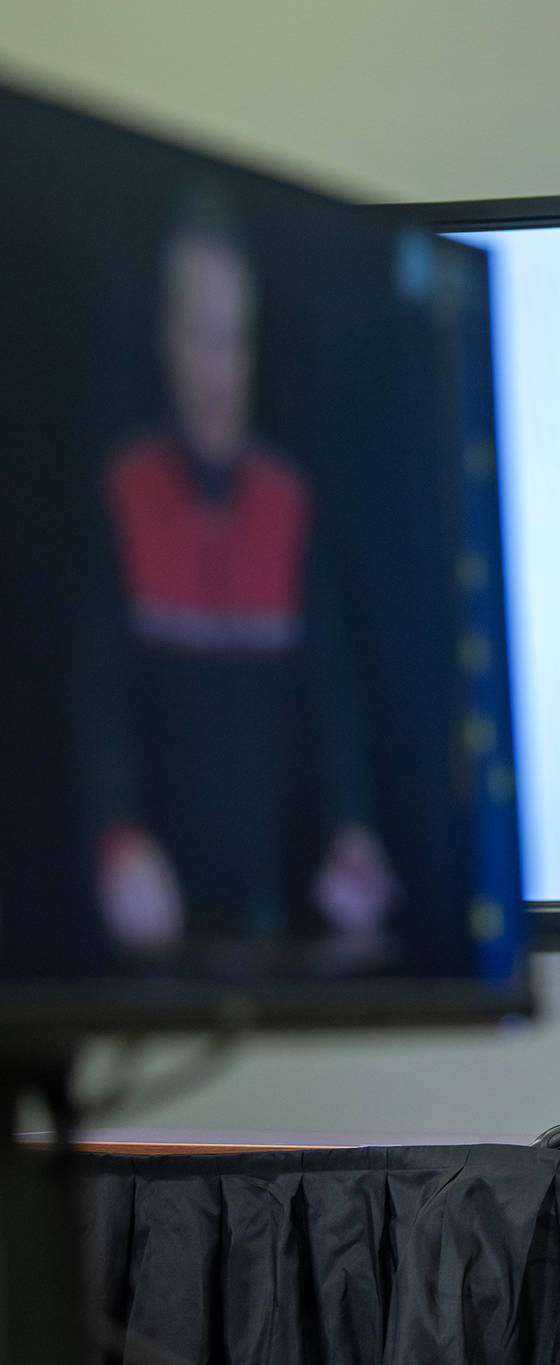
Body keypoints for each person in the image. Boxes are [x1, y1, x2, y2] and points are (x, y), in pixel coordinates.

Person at [81, 187, 397, 957]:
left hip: (277, 929)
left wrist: (353, 833)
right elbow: (92, 704)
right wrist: (116, 841)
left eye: (234, 341)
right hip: (148, 937)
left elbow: (333, 704)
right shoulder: (124, 493)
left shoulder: (288, 504)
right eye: (201, 336)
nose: (218, 370)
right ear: (166, 338)